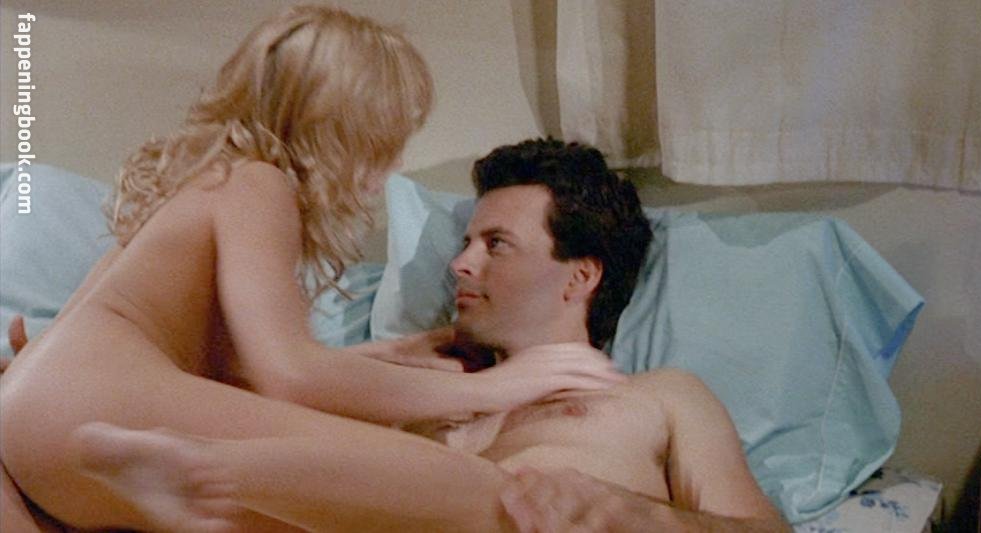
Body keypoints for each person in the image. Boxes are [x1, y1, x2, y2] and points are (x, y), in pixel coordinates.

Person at [0, 9, 623, 532]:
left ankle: (187, 474)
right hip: (92, 406)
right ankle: (197, 469)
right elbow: (291, 375)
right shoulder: (257, 182)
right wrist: (492, 390)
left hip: (39, 430)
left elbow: (238, 376)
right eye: (385, 137)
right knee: (477, 494)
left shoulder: (201, 181)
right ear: (341, 127)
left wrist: (392, 355)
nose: (391, 163)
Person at [62, 139, 791, 532]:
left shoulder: (658, 398)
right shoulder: (405, 390)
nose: (460, 263)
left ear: (580, 276)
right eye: (466, 241)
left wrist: (639, 517)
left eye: (496, 244)